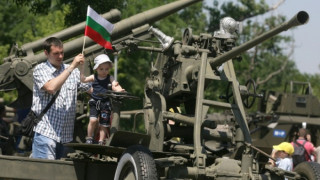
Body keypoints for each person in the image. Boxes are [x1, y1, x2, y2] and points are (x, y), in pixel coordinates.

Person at [31, 37, 91, 160]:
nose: (60, 56)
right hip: (45, 134)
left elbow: (90, 90)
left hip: (65, 138)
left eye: (62, 53)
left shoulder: (73, 72)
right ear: (46, 53)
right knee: (46, 174)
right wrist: (72, 67)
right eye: (56, 53)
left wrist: (111, 85)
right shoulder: (40, 69)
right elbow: (52, 87)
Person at [80, 54, 124, 145]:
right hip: (95, 102)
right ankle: (89, 138)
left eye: (106, 69)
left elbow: (115, 85)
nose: (104, 71)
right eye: (101, 69)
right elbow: (83, 80)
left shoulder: (110, 77)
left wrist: (120, 90)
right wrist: (82, 67)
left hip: (105, 103)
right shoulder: (94, 77)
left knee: (104, 124)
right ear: (96, 69)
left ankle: (101, 141)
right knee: (93, 120)